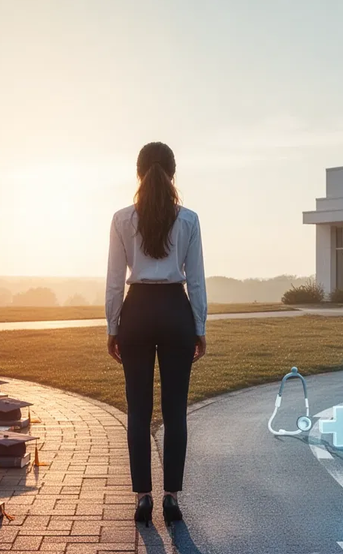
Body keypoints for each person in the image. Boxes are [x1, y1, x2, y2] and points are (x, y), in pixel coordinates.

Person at [105, 142, 207, 527]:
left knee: (139, 409)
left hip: (137, 311)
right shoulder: (190, 220)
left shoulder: (121, 219)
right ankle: (172, 498)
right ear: (173, 173)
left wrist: (113, 326)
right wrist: (199, 327)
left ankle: (143, 496)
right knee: (175, 409)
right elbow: (195, 281)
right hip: (175, 310)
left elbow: (115, 282)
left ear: (138, 173)